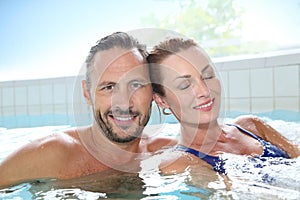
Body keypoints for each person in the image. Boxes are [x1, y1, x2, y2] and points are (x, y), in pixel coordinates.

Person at [0, 32, 174, 189]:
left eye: (136, 85)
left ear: (153, 92)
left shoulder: (168, 154)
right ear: (87, 93)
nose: (123, 103)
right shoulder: (51, 154)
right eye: (109, 87)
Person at [147, 37, 300, 175]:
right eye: (184, 85)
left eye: (208, 76)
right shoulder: (181, 163)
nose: (205, 91)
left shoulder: (251, 126)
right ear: (162, 100)